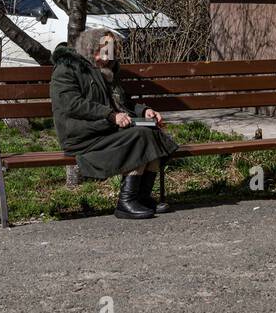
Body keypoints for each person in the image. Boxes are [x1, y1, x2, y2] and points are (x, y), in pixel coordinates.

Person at [50, 27, 179, 219]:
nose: (110, 56)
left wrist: (144, 111)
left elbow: (123, 103)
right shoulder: (67, 69)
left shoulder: (107, 71)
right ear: (91, 48)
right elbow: (71, 104)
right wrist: (110, 115)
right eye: (105, 50)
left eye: (111, 50)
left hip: (106, 130)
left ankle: (141, 198)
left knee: (151, 131)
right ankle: (125, 203)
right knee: (140, 136)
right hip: (83, 136)